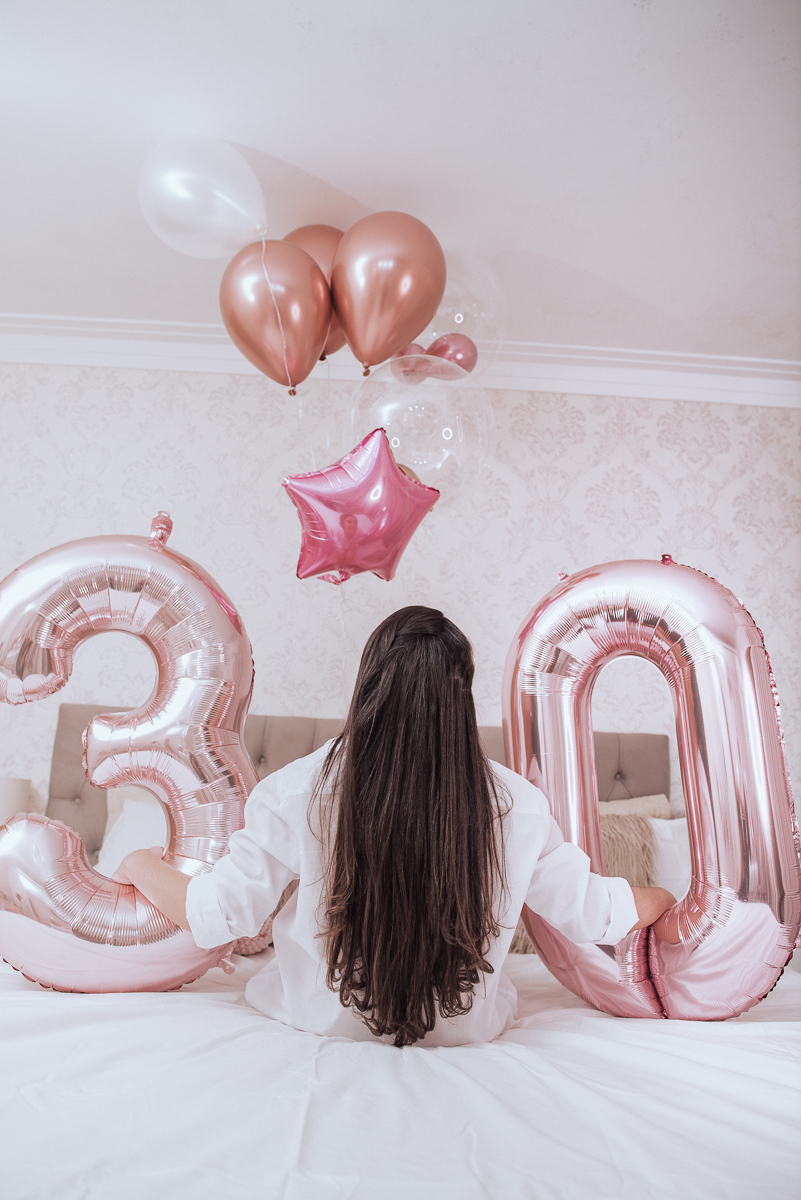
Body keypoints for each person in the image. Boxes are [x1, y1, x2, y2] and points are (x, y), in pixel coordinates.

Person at [116, 606, 676, 1047]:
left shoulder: (294, 789)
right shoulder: (519, 806)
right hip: (465, 1032)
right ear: (462, 696)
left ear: (368, 685)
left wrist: (140, 863)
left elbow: (220, 915)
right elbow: (594, 913)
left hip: (318, 1022)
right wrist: (668, 895)